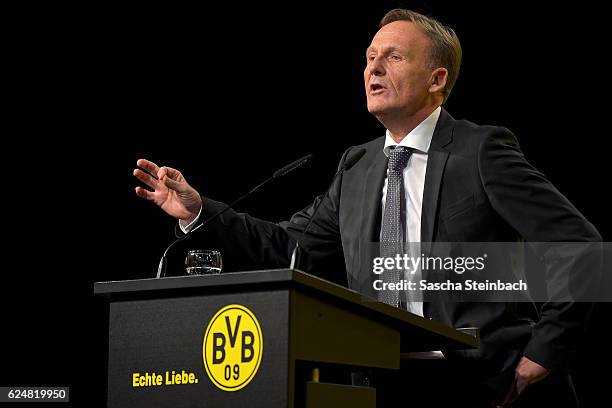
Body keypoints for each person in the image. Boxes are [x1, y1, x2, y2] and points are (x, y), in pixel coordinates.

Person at [133, 9, 600, 407]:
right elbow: (289, 248)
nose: (373, 68)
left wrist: (544, 352)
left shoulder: (480, 151)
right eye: (370, 58)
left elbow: (580, 246)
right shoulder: (356, 166)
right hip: (379, 383)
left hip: (479, 383)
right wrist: (197, 211)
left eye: (394, 57)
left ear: (437, 79)